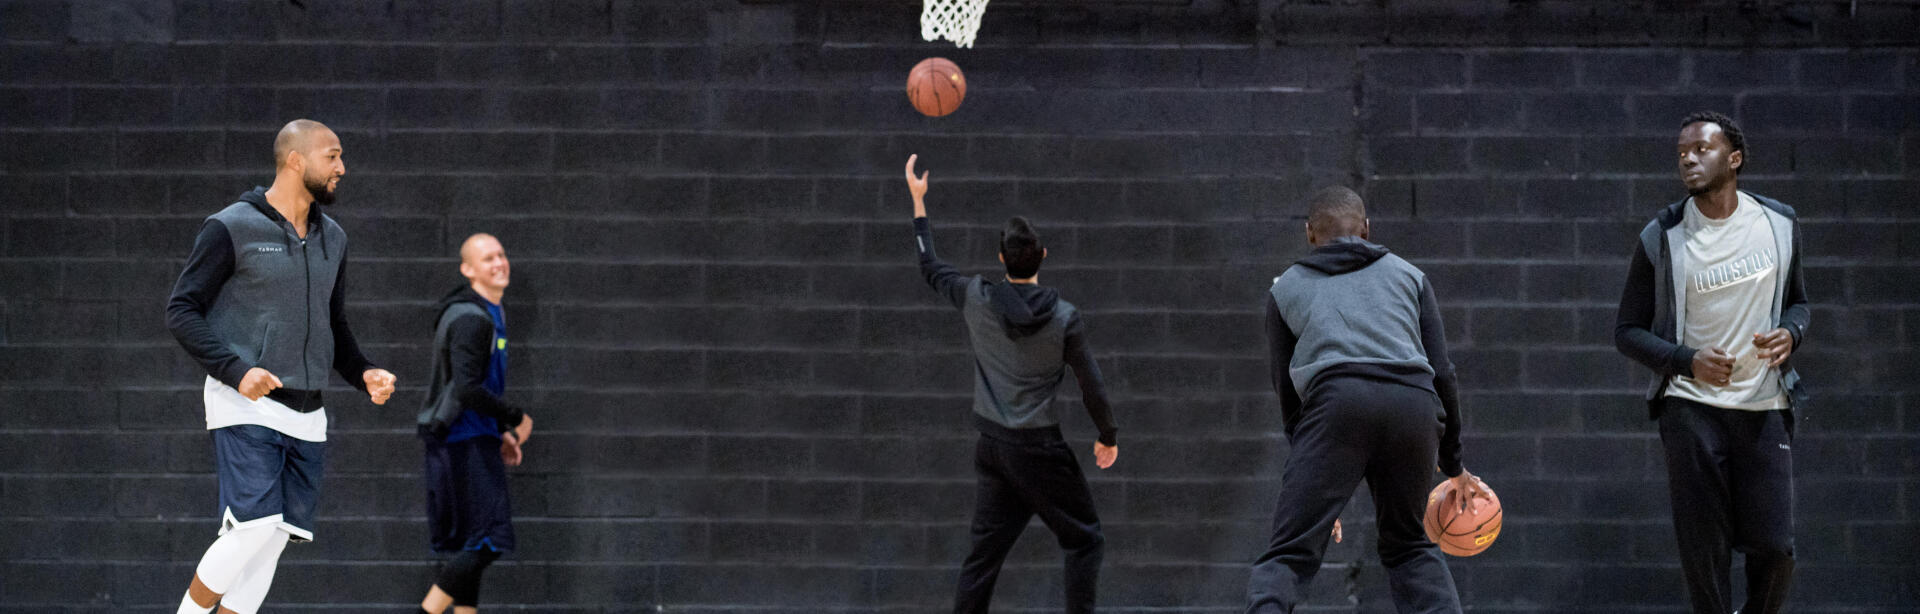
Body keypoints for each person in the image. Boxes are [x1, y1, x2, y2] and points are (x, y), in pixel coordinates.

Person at [165, 119, 396, 614]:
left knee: (270, 543)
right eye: (332, 156)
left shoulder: (333, 238)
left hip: (308, 415)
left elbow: (334, 325)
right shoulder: (230, 226)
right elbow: (181, 309)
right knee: (252, 526)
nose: (342, 168)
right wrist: (235, 369)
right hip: (245, 403)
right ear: (296, 160)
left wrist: (364, 373)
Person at [1246, 186, 1481, 614]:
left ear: (1309, 234)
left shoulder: (1285, 289)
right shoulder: (1410, 276)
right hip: (1414, 403)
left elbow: (1287, 392)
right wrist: (1454, 464)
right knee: (1410, 545)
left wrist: (1315, 482)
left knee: (1289, 553)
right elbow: (1443, 371)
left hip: (1339, 403)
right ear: (1367, 229)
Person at [904, 155, 1120, 614]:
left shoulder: (977, 297)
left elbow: (930, 267)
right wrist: (1107, 436)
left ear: (1002, 259)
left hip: (994, 448)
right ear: (1043, 256)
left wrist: (918, 204)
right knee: (1085, 542)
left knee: (981, 560)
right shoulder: (1064, 318)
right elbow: (1091, 386)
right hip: (1038, 451)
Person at [1614, 111, 1807, 614]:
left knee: (1776, 549)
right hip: (1691, 409)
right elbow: (1626, 332)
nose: (1689, 160)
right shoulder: (1662, 235)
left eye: (1701, 149)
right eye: (1682, 154)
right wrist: (1686, 360)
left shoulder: (1779, 224)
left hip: (1763, 405)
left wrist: (1793, 332)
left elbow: (1799, 302)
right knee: (1706, 556)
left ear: (1734, 158)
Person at [414, 233, 535, 614]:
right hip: (462, 441)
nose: (499, 262)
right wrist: (516, 418)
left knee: (474, 541)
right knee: (490, 539)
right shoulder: (471, 318)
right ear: (468, 270)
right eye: (488, 258)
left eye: (501, 254)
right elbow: (466, 389)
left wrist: (499, 431)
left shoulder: (486, 312)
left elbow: (469, 385)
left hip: (475, 436)